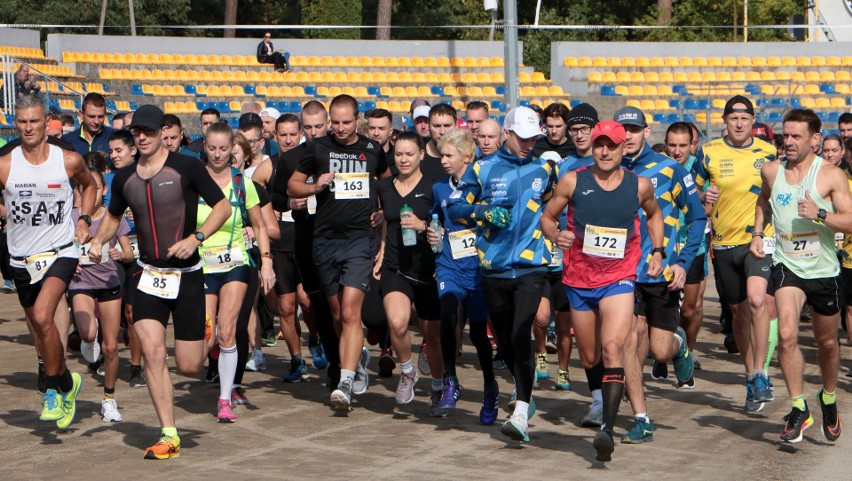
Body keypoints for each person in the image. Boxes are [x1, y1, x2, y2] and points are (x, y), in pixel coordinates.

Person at [88, 104, 231, 459]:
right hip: (148, 274)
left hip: (187, 277)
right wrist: (97, 241)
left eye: (149, 131)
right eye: (138, 132)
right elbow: (112, 217)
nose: (142, 137)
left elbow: (223, 208)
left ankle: (205, 327)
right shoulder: (124, 177)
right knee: (152, 352)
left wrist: (195, 238)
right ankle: (169, 432)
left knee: (189, 365)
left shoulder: (187, 166)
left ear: (165, 134)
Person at [541, 119, 663, 462]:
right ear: (591, 148)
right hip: (579, 279)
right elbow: (547, 216)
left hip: (619, 277)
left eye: (612, 145)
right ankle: (604, 407)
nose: (605, 151)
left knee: (613, 347)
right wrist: (555, 235)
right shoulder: (573, 180)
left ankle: (606, 432)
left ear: (625, 147)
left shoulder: (639, 185)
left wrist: (658, 250)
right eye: (599, 145)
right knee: (591, 356)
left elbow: (654, 216)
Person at [448, 106, 553, 442]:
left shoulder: (545, 169)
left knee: (522, 332)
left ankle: (521, 410)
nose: (528, 144)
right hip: (492, 269)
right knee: (507, 342)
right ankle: (525, 391)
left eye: (533, 138)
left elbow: (557, 207)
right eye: (522, 138)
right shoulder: (483, 168)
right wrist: (485, 212)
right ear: (507, 133)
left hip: (532, 267)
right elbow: (456, 207)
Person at [751, 108, 852, 443]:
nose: (789, 142)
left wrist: (820, 214)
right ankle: (798, 407)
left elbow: (850, 220)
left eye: (797, 136)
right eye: (786, 135)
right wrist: (756, 233)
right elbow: (763, 201)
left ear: (815, 139)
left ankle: (828, 396)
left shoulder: (831, 176)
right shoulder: (771, 170)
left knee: (826, 342)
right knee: (788, 334)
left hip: (824, 270)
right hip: (787, 265)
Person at [1, 95, 97, 430]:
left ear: (46, 124)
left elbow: (89, 185)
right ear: (16, 123)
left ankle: (54, 389)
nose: (28, 128)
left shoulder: (67, 160)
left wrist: (83, 219)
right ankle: (69, 384)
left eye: (35, 121)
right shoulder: (6, 164)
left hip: (60, 251)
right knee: (39, 330)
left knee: (44, 317)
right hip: (20, 258)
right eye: (23, 122)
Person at [288, 95, 387, 411]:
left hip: (360, 241)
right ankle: (355, 355)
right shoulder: (317, 149)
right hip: (325, 241)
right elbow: (293, 185)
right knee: (335, 315)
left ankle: (345, 380)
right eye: (336, 122)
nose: (341, 128)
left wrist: (384, 212)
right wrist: (316, 186)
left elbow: (388, 186)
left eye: (348, 122)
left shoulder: (373, 151)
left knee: (349, 312)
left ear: (358, 119)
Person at [614, 107, 706, 445]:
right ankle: (639, 413)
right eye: (623, 129)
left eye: (634, 129)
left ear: (646, 132)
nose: (627, 136)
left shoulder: (671, 169)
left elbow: (696, 218)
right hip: (622, 273)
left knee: (661, 350)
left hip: (662, 272)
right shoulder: (610, 170)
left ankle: (680, 346)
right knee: (631, 336)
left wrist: (682, 262)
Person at [692, 95, 778, 413]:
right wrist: (703, 194)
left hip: (759, 241)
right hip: (724, 244)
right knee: (740, 315)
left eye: (745, 118)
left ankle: (761, 373)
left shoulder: (768, 152)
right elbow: (693, 192)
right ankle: (751, 376)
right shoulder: (710, 152)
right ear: (725, 121)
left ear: (753, 121)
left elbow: (777, 194)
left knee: (759, 303)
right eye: (733, 118)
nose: (739, 123)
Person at [199, 121, 275, 422]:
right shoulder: (195, 181)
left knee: (228, 329)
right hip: (203, 264)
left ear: (232, 149)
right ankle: (217, 359)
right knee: (207, 337)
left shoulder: (242, 184)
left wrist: (266, 261)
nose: (217, 154)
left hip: (236, 263)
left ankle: (225, 397)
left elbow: (260, 225)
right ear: (204, 147)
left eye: (223, 148)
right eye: (212, 148)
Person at [426, 128, 498, 421]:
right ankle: (450, 382)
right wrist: (433, 233)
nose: (443, 160)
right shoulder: (439, 189)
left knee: (480, 335)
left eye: (448, 155)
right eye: (441, 154)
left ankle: (490, 388)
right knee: (447, 314)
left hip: (478, 270)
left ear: (466, 157)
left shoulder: (485, 188)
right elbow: (435, 219)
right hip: (449, 265)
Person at [374, 131, 445, 414]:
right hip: (395, 267)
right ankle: (407, 372)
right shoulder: (384, 187)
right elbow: (384, 223)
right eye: (399, 154)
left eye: (409, 154)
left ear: (421, 155)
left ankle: (439, 386)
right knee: (397, 322)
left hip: (428, 270)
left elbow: (444, 229)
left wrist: (425, 225)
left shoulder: (435, 188)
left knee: (434, 338)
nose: (403, 159)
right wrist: (380, 251)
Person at [70, 168, 135, 422]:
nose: (89, 193)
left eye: (95, 187)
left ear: (104, 190)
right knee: (87, 333)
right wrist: (67, 261)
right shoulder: (72, 217)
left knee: (110, 347)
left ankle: (109, 399)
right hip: (80, 282)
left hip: (109, 281)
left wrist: (120, 254)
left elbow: (129, 254)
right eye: (82, 188)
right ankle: (88, 339)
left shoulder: (113, 218)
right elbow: (57, 249)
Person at [664, 122, 710, 371]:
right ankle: (662, 349)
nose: (677, 151)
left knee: (690, 309)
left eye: (683, 145)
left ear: (692, 145)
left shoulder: (700, 169)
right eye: (672, 145)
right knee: (661, 305)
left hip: (693, 247)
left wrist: (705, 200)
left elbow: (711, 208)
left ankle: (687, 350)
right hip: (662, 248)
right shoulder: (658, 167)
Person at [106, 128, 146, 387]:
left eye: (118, 150)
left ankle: (135, 366)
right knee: (108, 311)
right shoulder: (107, 179)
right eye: (110, 151)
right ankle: (104, 354)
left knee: (133, 313)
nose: (113, 155)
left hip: (141, 254)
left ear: (133, 150)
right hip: (111, 253)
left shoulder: (146, 175)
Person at [62, 93, 115, 159]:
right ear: (81, 114)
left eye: (100, 116)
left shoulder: (114, 136)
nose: (96, 121)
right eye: (92, 116)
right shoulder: (67, 140)